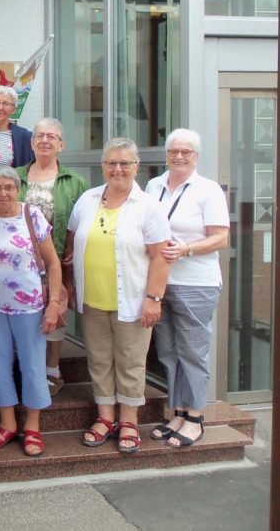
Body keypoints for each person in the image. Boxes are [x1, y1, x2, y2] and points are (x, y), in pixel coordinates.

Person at [68, 137, 171, 454]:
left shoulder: (148, 207)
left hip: (133, 301)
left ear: (136, 167)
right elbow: (71, 245)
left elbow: (161, 257)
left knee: (130, 363)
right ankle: (105, 418)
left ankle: (128, 422)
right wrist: (70, 286)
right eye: (111, 163)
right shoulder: (87, 199)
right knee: (99, 361)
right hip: (92, 299)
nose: (117, 169)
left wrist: (153, 298)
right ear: (103, 166)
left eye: (125, 163)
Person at [0, 165, 62, 457]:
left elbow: (53, 264)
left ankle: (32, 426)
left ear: (18, 189)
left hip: (30, 305)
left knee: (32, 364)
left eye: (9, 187)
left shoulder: (32, 216)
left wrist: (53, 305)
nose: (3, 193)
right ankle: (7, 423)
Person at [145, 128, 229, 447]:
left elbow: (221, 237)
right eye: (173, 151)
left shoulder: (208, 190)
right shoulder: (154, 186)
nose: (179, 156)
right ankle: (177, 413)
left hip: (196, 283)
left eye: (186, 152)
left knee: (192, 353)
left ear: (196, 157)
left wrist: (187, 249)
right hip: (161, 282)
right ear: (166, 155)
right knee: (168, 352)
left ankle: (195, 418)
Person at [17, 118, 88, 395]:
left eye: (51, 136)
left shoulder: (75, 182)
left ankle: (52, 369)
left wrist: (75, 249)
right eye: (40, 135)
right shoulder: (16, 176)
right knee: (25, 317)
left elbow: (84, 220)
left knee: (55, 311)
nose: (45, 140)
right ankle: (28, 369)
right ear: (32, 142)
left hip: (56, 258)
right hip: (19, 262)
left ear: (62, 145)